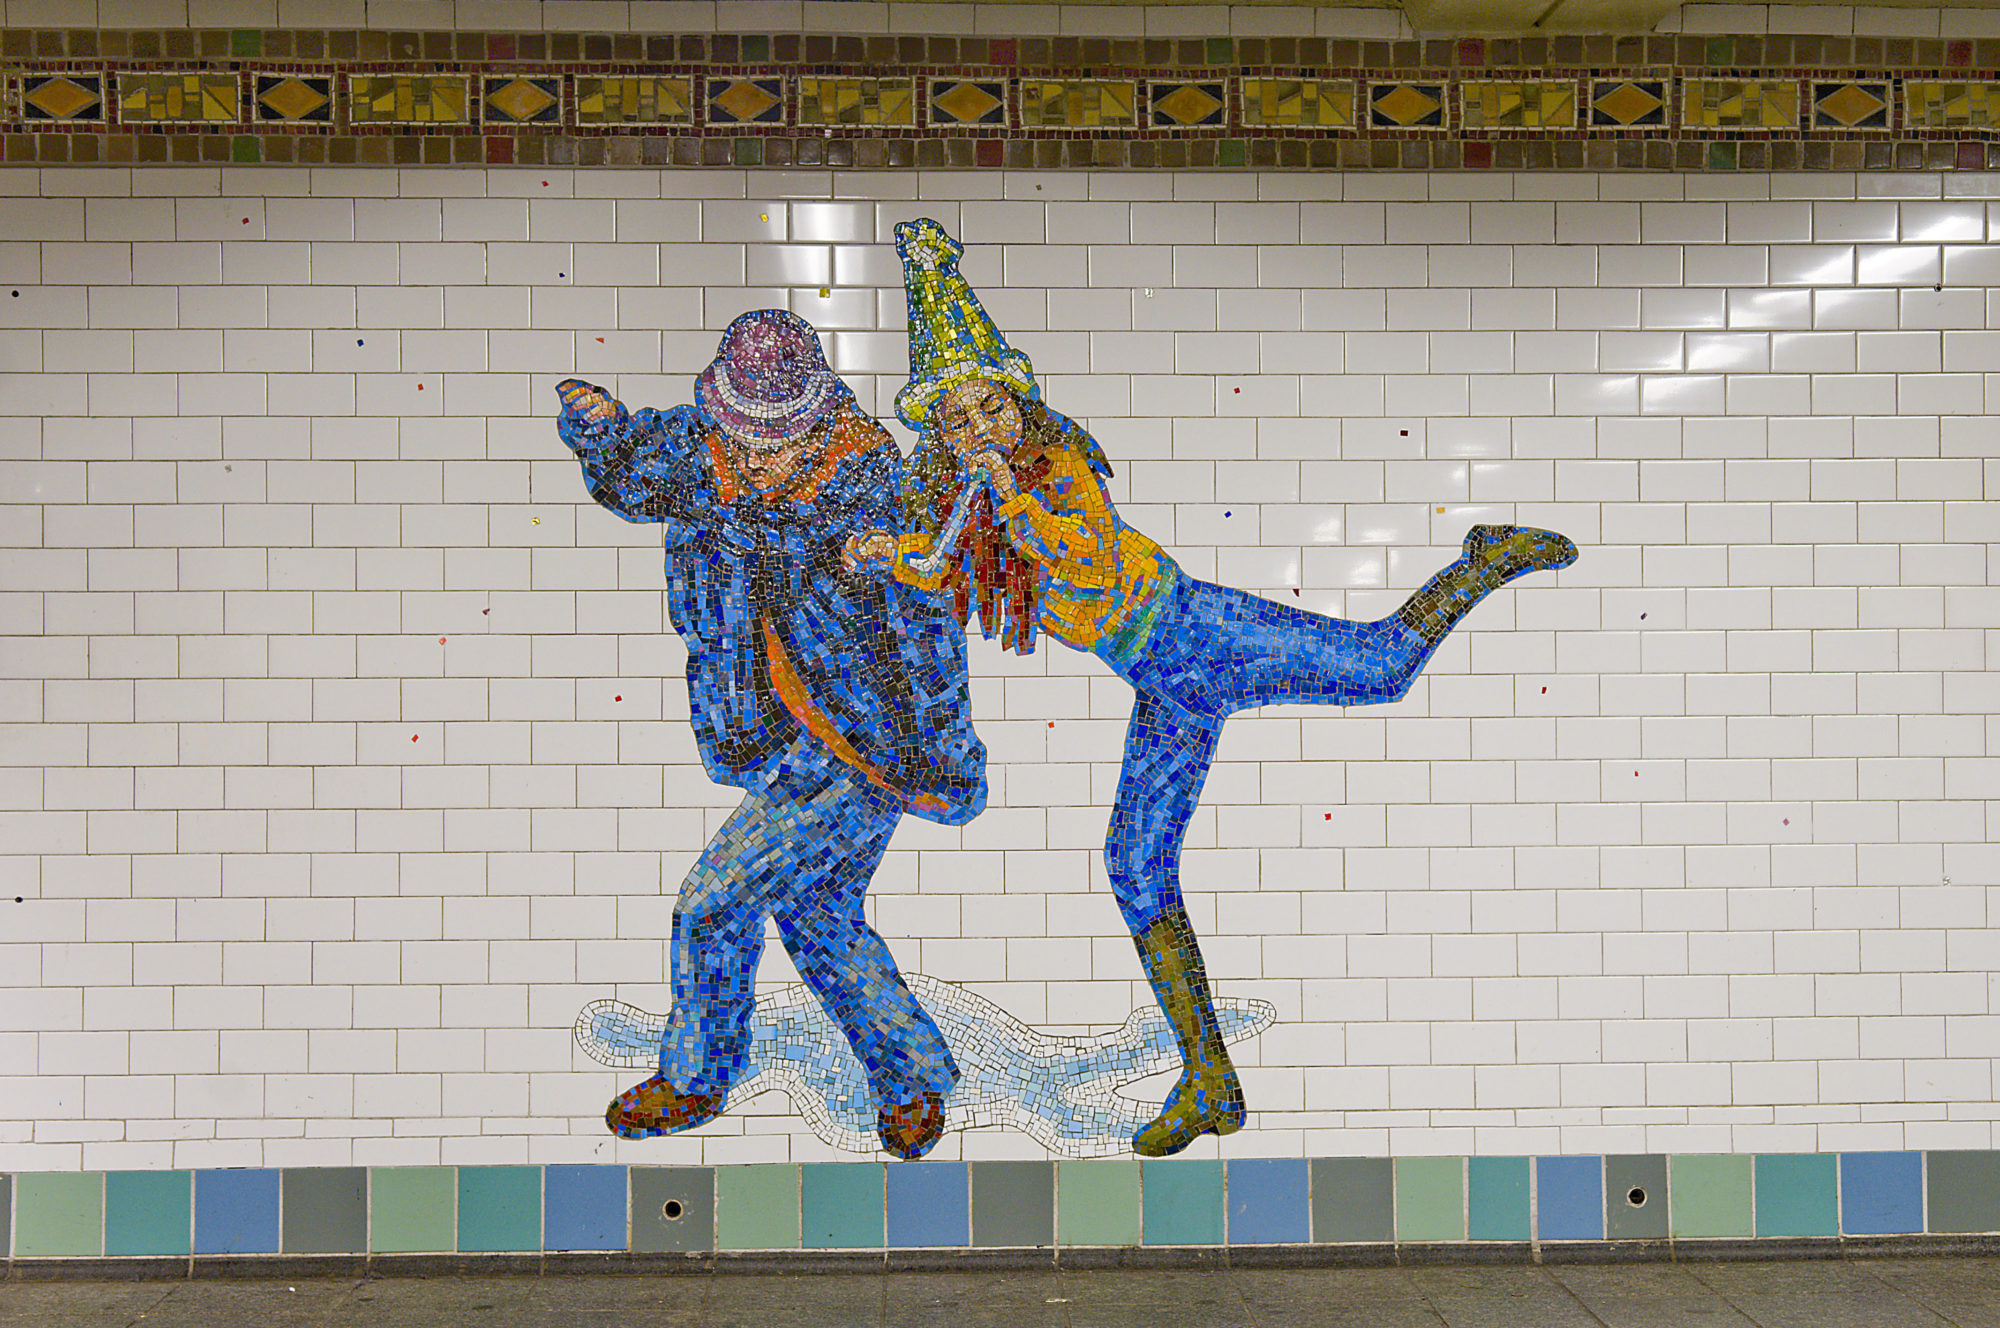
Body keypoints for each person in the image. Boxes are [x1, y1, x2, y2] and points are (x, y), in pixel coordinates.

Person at [864, 219, 1579, 1158]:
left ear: (1018, 401)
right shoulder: (979, 501)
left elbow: (1074, 547)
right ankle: (1210, 1081)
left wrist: (1000, 486)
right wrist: (895, 555)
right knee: (1132, 866)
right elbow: (952, 569)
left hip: (1198, 632)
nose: (972, 431)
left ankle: (1486, 564)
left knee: (1383, 670)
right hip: (1166, 683)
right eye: (952, 424)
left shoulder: (1057, 469)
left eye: (985, 410)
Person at [554, 308, 985, 1160]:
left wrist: (944, 752)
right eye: (743, 428)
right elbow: (631, 479)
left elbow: (929, 624)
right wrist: (596, 430)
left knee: (712, 905)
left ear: (818, 412)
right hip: (764, 731)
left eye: (777, 433)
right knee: (820, 912)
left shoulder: (869, 484)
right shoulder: (697, 450)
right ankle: (916, 1077)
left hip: (859, 748)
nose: (756, 450)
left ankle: (694, 1075)